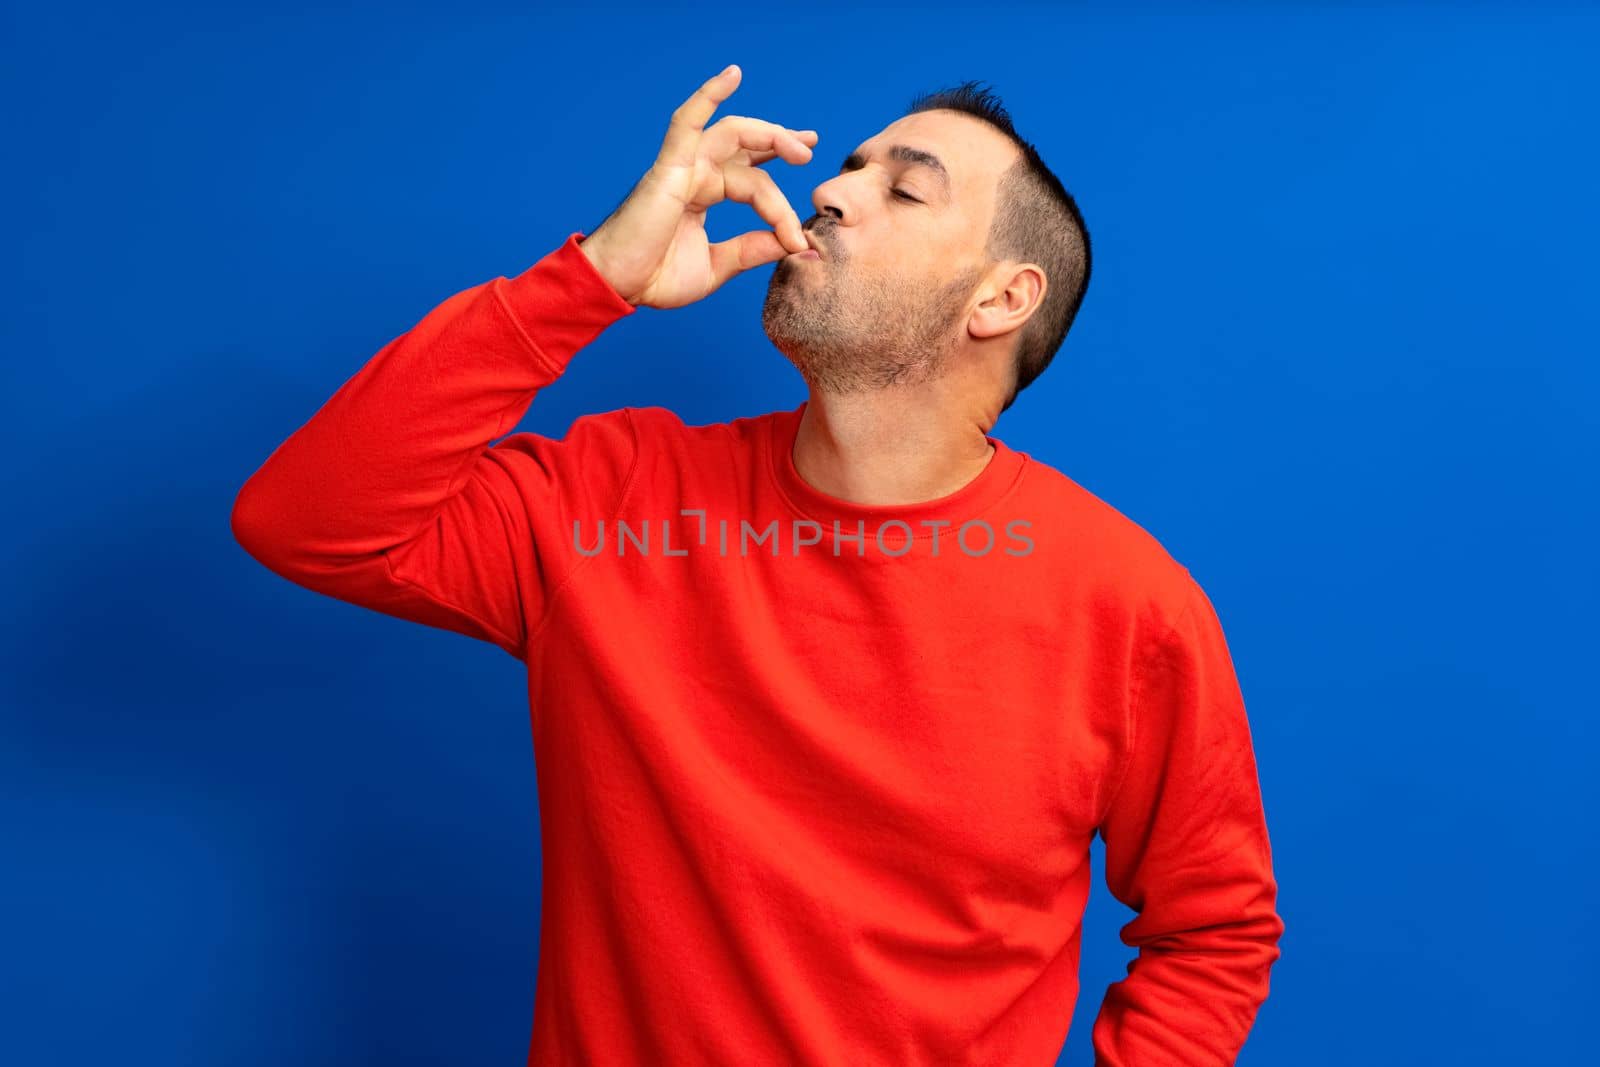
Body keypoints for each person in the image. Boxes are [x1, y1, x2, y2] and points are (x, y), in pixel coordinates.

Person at [232, 63, 1283, 1066]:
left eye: (902, 189)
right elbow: (307, 519)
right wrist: (594, 277)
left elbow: (1214, 928)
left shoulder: (1126, 602)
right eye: (851, 165)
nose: (829, 190)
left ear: (1001, 299)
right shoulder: (613, 498)